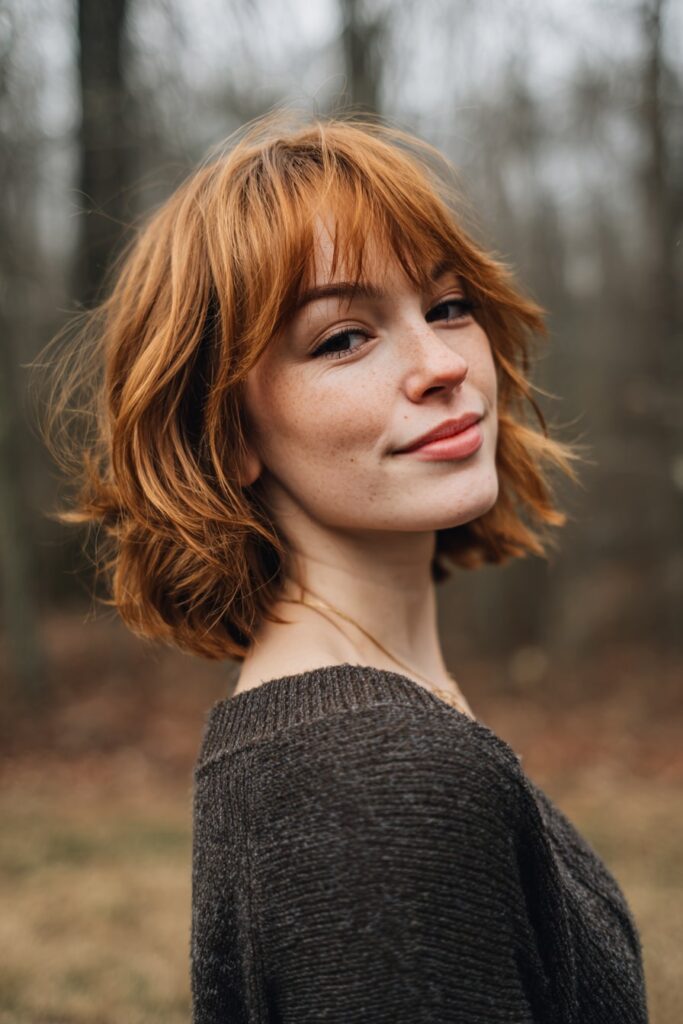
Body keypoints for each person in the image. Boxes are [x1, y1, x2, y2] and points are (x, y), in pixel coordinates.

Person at [37, 108, 649, 1022]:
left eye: (447, 307)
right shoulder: (371, 779)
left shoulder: (365, 731)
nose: (441, 363)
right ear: (230, 434)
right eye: (343, 338)